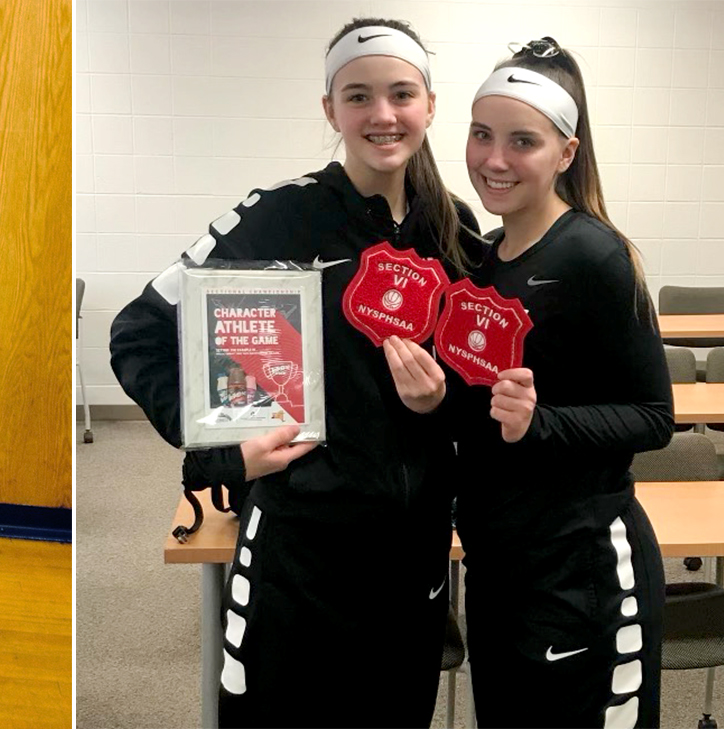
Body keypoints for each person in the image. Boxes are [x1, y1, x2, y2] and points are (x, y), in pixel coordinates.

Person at [109, 17, 483, 728]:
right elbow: (138, 332)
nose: (382, 114)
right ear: (330, 110)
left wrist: (440, 402)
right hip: (300, 559)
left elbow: (477, 384)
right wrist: (223, 452)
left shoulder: (455, 230)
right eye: (358, 95)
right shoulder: (277, 218)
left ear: (430, 105)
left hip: (415, 564)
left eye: (401, 94)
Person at [450, 38, 673, 727]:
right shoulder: (482, 259)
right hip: (498, 571)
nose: (494, 159)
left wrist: (540, 422)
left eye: (522, 141)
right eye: (482, 135)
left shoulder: (595, 254)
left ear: (565, 153)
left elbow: (653, 416)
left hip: (582, 571)